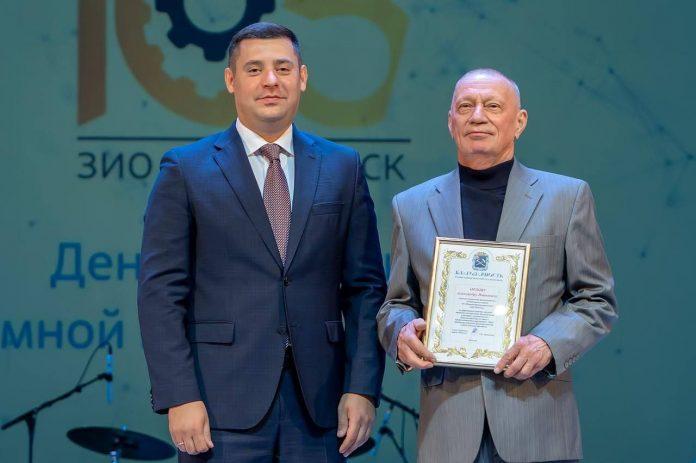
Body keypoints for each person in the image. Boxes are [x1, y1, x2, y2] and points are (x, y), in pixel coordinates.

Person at [138, 22, 386, 462]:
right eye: (254, 69)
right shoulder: (186, 169)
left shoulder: (342, 166)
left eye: (283, 68)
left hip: (321, 407)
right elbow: (161, 292)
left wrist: (362, 387)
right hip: (218, 405)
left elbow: (366, 289)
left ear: (302, 78)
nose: (271, 80)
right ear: (231, 80)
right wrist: (179, 395)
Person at [377, 68, 618, 463]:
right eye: (465, 107)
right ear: (450, 122)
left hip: (538, 424)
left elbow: (596, 299)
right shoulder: (411, 205)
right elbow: (396, 304)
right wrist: (402, 332)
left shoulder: (567, 197)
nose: (477, 116)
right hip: (448, 428)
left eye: (492, 106)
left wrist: (547, 343)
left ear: (519, 122)